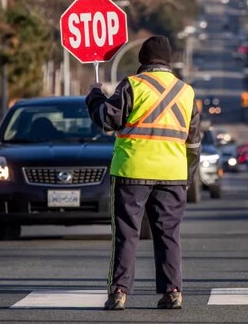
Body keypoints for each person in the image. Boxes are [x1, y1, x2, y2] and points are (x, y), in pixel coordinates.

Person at [85, 35, 201, 310]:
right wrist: (188, 176)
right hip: (172, 174)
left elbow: (107, 119)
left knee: (127, 233)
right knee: (169, 234)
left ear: (142, 60)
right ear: (169, 60)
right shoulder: (187, 92)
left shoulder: (133, 85)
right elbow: (194, 142)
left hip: (132, 170)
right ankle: (173, 291)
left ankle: (119, 293)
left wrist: (94, 97)